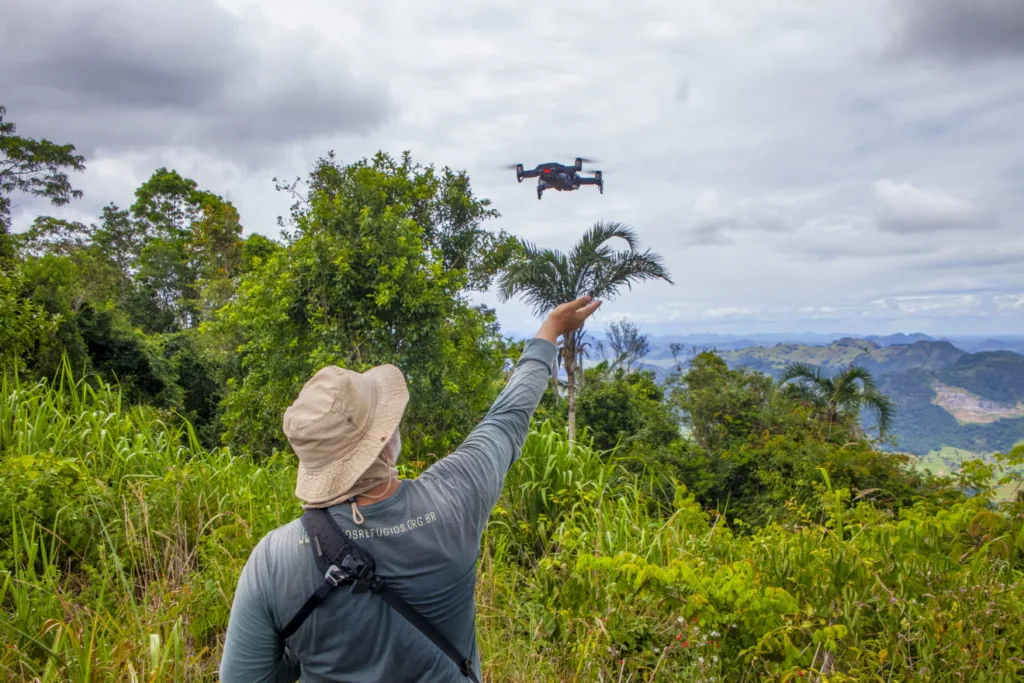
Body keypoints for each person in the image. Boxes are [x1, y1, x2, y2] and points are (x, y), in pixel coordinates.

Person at [219, 295, 602, 682]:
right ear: (386, 443)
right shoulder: (456, 498)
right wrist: (549, 332)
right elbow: (506, 420)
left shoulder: (271, 561)